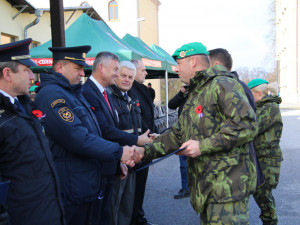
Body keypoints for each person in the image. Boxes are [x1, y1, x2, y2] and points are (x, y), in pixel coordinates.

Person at [134, 42, 258, 224]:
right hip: (208, 186)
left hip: (228, 188)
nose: (176, 69)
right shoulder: (196, 91)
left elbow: (246, 125)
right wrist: (143, 152)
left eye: (179, 63)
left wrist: (202, 146)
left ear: (192, 61)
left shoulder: (222, 84)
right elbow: (178, 133)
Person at [34, 46, 135, 225]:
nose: (82, 73)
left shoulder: (72, 93)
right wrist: (119, 151)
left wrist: (115, 160)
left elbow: (93, 132)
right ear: (60, 68)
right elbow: (77, 138)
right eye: (78, 68)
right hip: (73, 185)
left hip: (86, 181)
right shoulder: (52, 94)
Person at [0, 39, 65, 225]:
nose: (31, 76)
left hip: (46, 211)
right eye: (26, 70)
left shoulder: (22, 104)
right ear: (7, 74)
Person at [81, 52, 151, 225]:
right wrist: (136, 141)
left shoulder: (108, 94)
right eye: (117, 71)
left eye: (129, 77)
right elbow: (105, 130)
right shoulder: (89, 93)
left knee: (124, 209)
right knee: (111, 212)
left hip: (124, 158)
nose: (118, 75)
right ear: (101, 68)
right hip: (110, 160)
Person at [209, 47, 264, 186]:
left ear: (216, 65)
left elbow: (246, 126)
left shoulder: (235, 87)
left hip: (237, 162)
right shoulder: (232, 85)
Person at [107, 61, 143, 225]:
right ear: (116, 75)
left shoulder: (131, 98)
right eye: (123, 76)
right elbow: (108, 133)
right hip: (117, 162)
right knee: (113, 209)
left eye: (130, 77)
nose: (127, 80)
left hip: (132, 161)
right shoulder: (108, 98)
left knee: (126, 207)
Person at [248, 78, 283, 225]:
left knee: (264, 196)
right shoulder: (261, 107)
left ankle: (271, 222)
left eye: (249, 94)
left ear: (258, 94)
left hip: (267, 159)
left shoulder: (270, 107)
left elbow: (252, 127)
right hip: (260, 157)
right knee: (261, 195)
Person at [129, 59, 156, 225]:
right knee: (136, 186)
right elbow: (138, 118)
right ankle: (135, 218)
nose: (146, 73)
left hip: (146, 140)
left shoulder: (141, 89)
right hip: (140, 143)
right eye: (143, 70)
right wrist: (150, 135)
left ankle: (138, 215)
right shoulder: (132, 89)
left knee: (140, 186)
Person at [168, 85, 190, 199]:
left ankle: (196, 187)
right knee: (183, 163)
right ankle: (185, 188)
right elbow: (171, 105)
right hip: (183, 132)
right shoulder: (184, 93)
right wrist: (181, 93)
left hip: (196, 133)